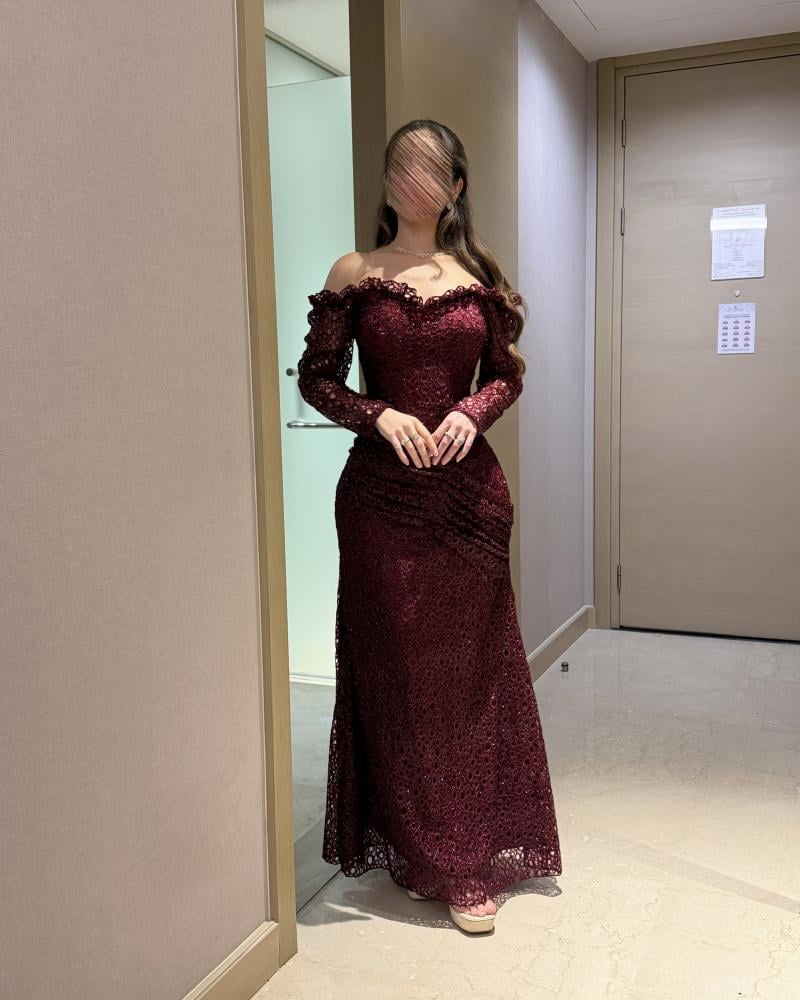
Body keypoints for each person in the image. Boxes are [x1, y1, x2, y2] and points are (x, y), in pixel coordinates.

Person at [296, 119, 562, 934]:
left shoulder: (479, 277)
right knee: (397, 677)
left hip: (468, 503)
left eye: (430, 167)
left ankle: (465, 856)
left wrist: (472, 413)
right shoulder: (355, 272)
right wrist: (376, 415)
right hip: (379, 503)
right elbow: (317, 378)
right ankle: (420, 846)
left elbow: (506, 377)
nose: (412, 178)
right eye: (400, 164)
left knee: (468, 676)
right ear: (386, 180)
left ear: (455, 187)